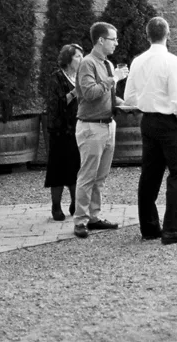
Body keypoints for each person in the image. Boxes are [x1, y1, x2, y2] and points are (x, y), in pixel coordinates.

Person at [121, 16, 177, 245]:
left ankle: (149, 227)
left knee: (150, 174)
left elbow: (129, 98)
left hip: (148, 121)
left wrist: (148, 101)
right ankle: (172, 228)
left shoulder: (137, 61)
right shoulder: (172, 61)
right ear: (168, 34)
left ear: (147, 35)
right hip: (170, 122)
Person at [73, 21, 129, 240]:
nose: (116, 43)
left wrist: (125, 103)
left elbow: (107, 95)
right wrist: (114, 79)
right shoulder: (87, 63)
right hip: (91, 126)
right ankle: (80, 220)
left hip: (107, 124)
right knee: (87, 175)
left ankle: (93, 216)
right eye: (113, 39)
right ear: (101, 40)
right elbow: (90, 93)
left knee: (100, 176)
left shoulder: (107, 64)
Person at [44, 43, 83, 221]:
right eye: (77, 56)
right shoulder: (57, 77)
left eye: (82, 56)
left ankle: (76, 202)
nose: (81, 59)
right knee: (58, 168)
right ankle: (56, 205)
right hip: (60, 130)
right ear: (68, 59)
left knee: (76, 166)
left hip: (77, 127)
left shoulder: (80, 76)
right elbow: (56, 104)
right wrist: (75, 92)